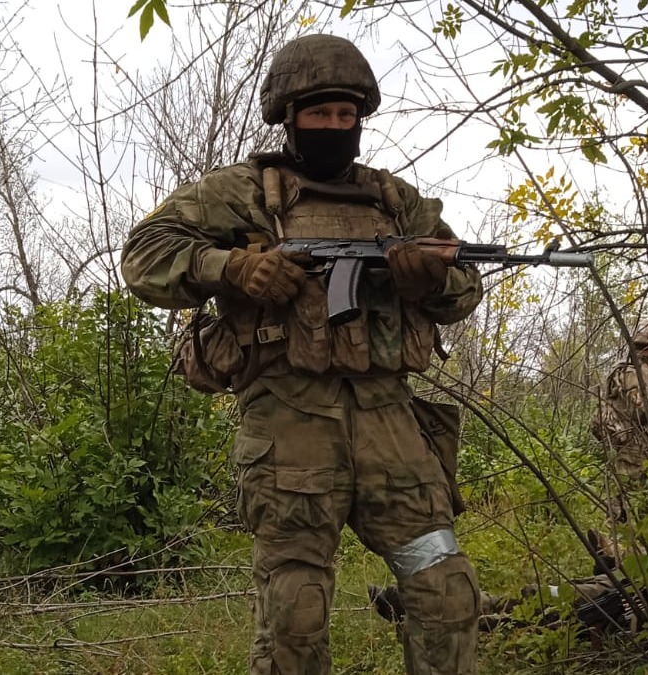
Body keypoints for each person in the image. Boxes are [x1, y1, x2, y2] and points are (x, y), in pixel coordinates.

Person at [121, 34, 484, 675]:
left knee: (446, 590)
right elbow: (144, 252)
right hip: (289, 425)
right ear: (288, 117)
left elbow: (462, 289)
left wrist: (425, 281)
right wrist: (232, 268)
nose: (335, 127)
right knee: (296, 612)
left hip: (392, 427)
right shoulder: (244, 192)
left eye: (347, 116)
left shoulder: (395, 202)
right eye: (320, 114)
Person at [590, 323, 648, 522]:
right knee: (634, 507)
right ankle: (616, 548)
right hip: (636, 448)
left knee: (627, 502)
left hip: (634, 446)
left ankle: (616, 546)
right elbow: (640, 411)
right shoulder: (636, 372)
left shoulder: (627, 370)